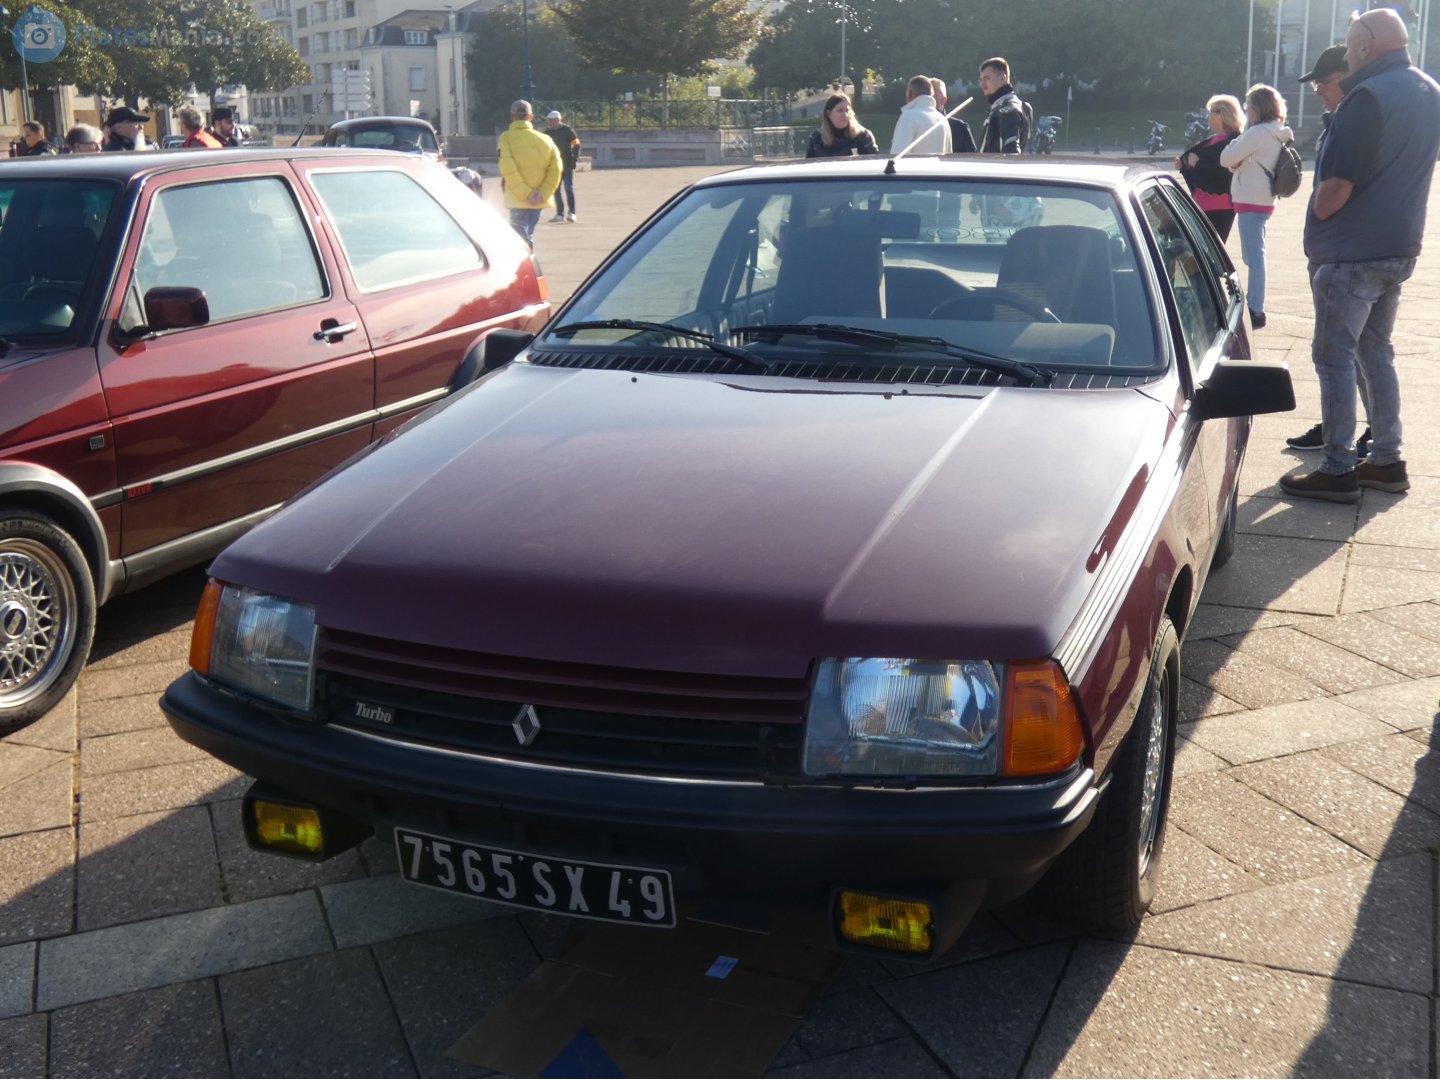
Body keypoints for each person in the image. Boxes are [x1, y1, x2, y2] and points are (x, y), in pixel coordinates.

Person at [1279, 8, 1440, 503]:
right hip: (1399, 245)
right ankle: (1387, 460)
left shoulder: (1365, 97)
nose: (1347, 56)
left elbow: (1336, 187)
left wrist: (1321, 216)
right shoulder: (1427, 91)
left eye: (1349, 47)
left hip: (1352, 251)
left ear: (1367, 44)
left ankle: (1338, 466)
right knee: (1377, 352)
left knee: (1334, 357)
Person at [1285, 43, 1371, 455]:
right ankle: (1342, 425)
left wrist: (1321, 216)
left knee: (1344, 351)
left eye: (1326, 81)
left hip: (1344, 254)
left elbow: (1340, 191)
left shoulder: (1357, 122)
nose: (1319, 89)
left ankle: (1352, 435)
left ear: (1350, 78)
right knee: (1345, 350)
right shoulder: (1335, 123)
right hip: (1331, 250)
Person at [1219, 84, 1292, 329]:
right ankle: (1255, 305)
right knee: (1254, 254)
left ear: (1258, 108)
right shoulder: (1277, 131)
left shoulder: (1258, 132)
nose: (1246, 110)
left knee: (1254, 256)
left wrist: (1234, 161)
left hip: (1250, 196)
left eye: (1248, 106)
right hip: (1263, 197)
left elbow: (1226, 158)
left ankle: (1255, 308)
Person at [1175, 94, 1243, 240]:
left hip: (1219, 205)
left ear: (1222, 114)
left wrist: (1197, 164)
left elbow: (1224, 170)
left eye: (1211, 112)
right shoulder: (1215, 139)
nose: (1208, 117)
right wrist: (1184, 166)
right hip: (1203, 203)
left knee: (1210, 250)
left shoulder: (1235, 140)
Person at [498, 99, 563, 247]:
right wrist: (542, 193)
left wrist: (526, 193)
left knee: (519, 241)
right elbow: (556, 168)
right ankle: (528, 263)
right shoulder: (546, 139)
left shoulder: (506, 138)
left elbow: (507, 168)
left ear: (511, 116)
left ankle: (527, 267)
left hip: (517, 199)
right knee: (528, 234)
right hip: (539, 200)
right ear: (531, 117)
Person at [978, 57, 1032, 154]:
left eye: (986, 78)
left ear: (1003, 78)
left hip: (995, 168)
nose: (982, 84)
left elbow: (1011, 152)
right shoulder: (1002, 106)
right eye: (981, 79)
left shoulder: (1008, 109)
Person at [890, 74, 951, 155]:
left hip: (913, 167)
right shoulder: (943, 120)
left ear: (910, 94)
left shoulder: (908, 117)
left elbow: (897, 155)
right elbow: (948, 156)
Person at [805, 92, 879, 157]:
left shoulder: (863, 136)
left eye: (847, 110)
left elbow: (874, 163)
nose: (845, 115)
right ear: (828, 113)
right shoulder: (816, 138)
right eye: (840, 111)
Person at [544, 110, 582, 222]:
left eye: (550, 120)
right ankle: (559, 214)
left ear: (557, 120)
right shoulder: (547, 133)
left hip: (567, 165)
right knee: (556, 190)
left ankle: (572, 213)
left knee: (568, 188)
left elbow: (576, 144)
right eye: (548, 121)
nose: (549, 122)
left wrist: (574, 159)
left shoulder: (567, 130)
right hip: (554, 166)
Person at [930, 77, 977, 153]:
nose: (929, 99)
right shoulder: (917, 124)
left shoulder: (960, 128)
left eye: (934, 95)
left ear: (943, 100)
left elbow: (972, 158)